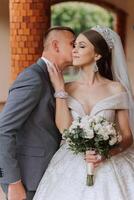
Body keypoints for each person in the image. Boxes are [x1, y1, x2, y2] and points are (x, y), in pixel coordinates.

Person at [33, 26, 134, 200]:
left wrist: (106, 154)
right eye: (74, 45)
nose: (74, 50)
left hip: (109, 163)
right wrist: (59, 90)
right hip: (70, 162)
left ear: (97, 55)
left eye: (81, 46)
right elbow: (65, 129)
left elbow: (127, 136)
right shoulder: (67, 87)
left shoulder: (115, 88)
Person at [0, 26, 75, 200]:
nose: (76, 48)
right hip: (27, 180)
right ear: (56, 46)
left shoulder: (55, 78)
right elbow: (3, 130)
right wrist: (13, 181)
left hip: (47, 175)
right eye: (72, 44)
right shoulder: (33, 77)